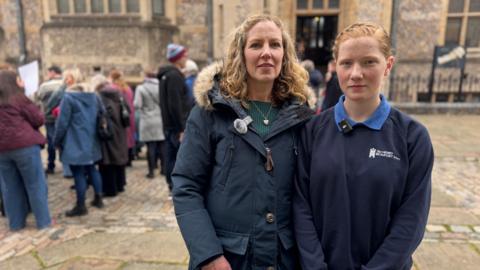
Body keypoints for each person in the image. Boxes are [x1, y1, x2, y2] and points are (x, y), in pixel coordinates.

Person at [172, 14, 314, 269]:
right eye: (256, 45)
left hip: (284, 258)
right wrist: (208, 255)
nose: (266, 53)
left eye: (275, 44)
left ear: (285, 54)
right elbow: (186, 185)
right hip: (228, 259)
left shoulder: (301, 115)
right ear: (241, 53)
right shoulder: (211, 112)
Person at [294, 22, 434, 270]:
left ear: (388, 65)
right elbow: (301, 207)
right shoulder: (312, 132)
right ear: (335, 66)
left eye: (369, 62)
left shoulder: (413, 138)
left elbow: (411, 221)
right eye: (347, 63)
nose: (356, 73)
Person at [0, 69, 51, 230]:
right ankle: (43, 222)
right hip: (24, 146)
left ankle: (15, 224)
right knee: (35, 184)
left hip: (2, 149)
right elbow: (38, 119)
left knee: (10, 187)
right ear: (14, 82)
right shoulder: (19, 99)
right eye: (19, 79)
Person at [54, 70, 104, 217]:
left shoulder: (69, 97)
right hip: (92, 139)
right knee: (92, 169)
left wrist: (56, 141)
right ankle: (98, 198)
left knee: (78, 173)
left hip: (75, 140)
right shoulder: (94, 96)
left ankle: (81, 206)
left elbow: (62, 123)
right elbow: (102, 114)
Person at [157, 43, 193, 192]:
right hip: (176, 126)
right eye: (184, 55)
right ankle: (176, 187)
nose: (186, 57)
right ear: (177, 58)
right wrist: (181, 128)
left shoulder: (166, 75)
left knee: (171, 156)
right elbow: (175, 104)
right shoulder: (174, 76)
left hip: (169, 124)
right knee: (178, 157)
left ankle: (172, 186)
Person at [93, 75, 129, 197]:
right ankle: (120, 185)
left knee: (107, 161)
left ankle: (110, 190)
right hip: (121, 130)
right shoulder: (118, 93)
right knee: (118, 158)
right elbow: (127, 109)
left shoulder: (100, 96)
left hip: (109, 131)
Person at [134, 68, 165, 179]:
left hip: (147, 120)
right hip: (160, 118)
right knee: (162, 145)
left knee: (150, 146)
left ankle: (151, 171)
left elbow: (137, 104)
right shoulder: (161, 86)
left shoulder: (141, 88)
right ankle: (164, 170)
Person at [34, 65, 63, 174]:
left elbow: (39, 98)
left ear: (52, 72)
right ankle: (67, 164)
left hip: (49, 116)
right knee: (64, 139)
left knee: (51, 141)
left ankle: (51, 164)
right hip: (63, 116)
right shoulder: (65, 84)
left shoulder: (45, 85)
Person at [108, 69, 136, 167]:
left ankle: (123, 158)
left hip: (119, 115)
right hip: (129, 114)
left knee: (121, 137)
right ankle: (129, 157)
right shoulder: (127, 88)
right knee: (129, 136)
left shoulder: (113, 88)